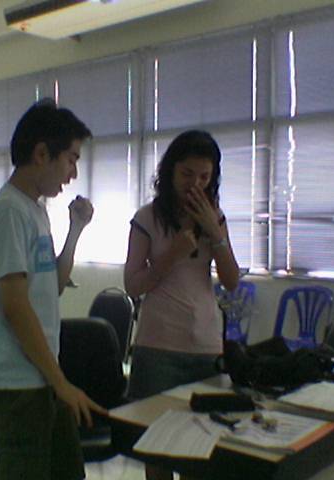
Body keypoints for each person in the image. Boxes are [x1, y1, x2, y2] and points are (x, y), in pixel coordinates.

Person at [0, 98, 106, 480]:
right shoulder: (9, 212)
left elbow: (53, 285)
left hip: (39, 376)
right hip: (16, 384)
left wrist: (75, 230)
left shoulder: (34, 209)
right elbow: (16, 307)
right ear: (42, 153)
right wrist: (61, 384)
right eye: (71, 159)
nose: (73, 173)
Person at [124, 130, 240, 480]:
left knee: (199, 452)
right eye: (187, 174)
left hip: (205, 348)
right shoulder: (147, 218)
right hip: (158, 348)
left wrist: (215, 234)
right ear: (170, 171)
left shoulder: (215, 218)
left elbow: (231, 281)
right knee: (157, 450)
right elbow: (133, 285)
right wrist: (171, 254)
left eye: (204, 177)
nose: (195, 184)